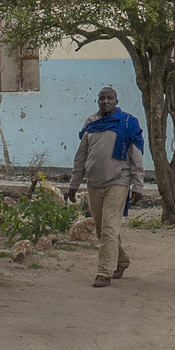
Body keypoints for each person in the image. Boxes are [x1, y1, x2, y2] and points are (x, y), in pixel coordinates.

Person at [66, 86, 144, 287]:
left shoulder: (128, 122)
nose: (106, 101)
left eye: (110, 98)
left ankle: (104, 273)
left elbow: (136, 157)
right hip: (94, 183)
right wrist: (74, 185)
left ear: (116, 101)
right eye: (102, 98)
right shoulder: (91, 123)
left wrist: (138, 185)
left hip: (118, 183)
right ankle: (122, 260)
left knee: (110, 228)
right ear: (97, 101)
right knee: (102, 230)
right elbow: (81, 156)